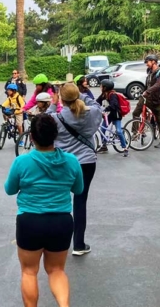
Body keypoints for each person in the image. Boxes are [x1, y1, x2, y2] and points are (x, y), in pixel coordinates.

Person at [4, 114, 84, 307]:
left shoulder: (22, 162)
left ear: (32, 137)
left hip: (30, 221)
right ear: (55, 135)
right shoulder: (72, 161)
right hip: (61, 222)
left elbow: (10, 189)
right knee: (57, 270)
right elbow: (78, 189)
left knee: (29, 271)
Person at [49, 82, 102, 256]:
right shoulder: (91, 113)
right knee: (80, 202)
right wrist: (80, 94)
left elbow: (45, 121)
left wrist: (53, 102)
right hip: (87, 162)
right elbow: (96, 105)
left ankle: (56, 242)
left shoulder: (56, 118)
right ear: (78, 96)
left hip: (64, 163)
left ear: (61, 99)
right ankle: (78, 244)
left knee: (59, 200)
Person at [131, 54, 160, 148]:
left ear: (153, 62)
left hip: (156, 99)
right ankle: (135, 133)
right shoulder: (150, 72)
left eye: (147, 62)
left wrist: (148, 91)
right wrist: (144, 92)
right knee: (135, 113)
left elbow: (158, 85)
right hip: (146, 97)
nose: (146, 64)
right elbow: (147, 85)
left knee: (159, 119)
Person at [96, 79, 129, 157]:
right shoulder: (104, 94)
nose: (100, 87)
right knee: (102, 129)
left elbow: (113, 105)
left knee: (119, 131)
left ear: (105, 87)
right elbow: (97, 101)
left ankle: (125, 148)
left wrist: (105, 109)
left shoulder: (112, 94)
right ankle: (104, 146)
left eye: (101, 86)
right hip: (109, 115)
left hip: (116, 115)